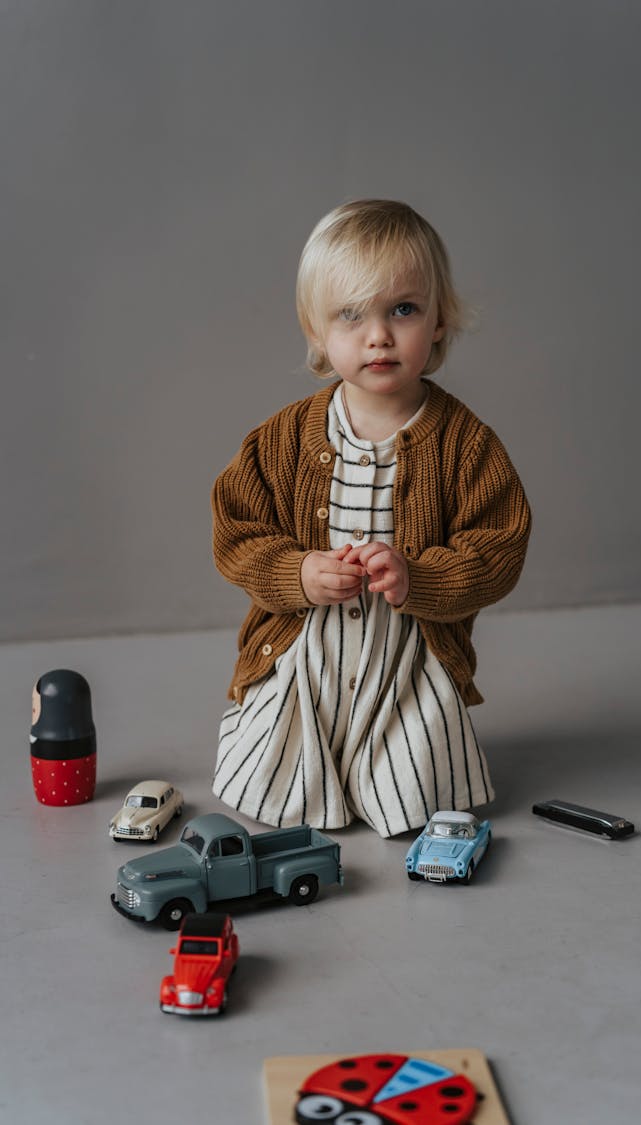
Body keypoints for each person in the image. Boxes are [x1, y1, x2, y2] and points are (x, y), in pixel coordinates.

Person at [211, 199, 531, 838]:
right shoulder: (281, 440)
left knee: (416, 780)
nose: (378, 335)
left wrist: (419, 576)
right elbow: (238, 531)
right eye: (350, 316)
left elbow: (498, 546)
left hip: (404, 661)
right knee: (278, 777)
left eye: (403, 310)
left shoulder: (465, 444)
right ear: (318, 331)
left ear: (439, 321)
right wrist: (298, 572)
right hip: (310, 656)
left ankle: (393, 773)